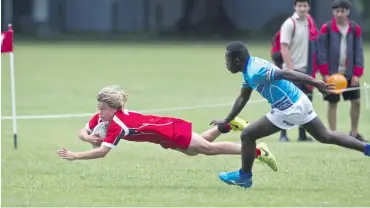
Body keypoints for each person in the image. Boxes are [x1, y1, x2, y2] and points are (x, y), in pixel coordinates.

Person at [211, 41, 370, 188]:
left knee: (248, 134)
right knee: (325, 136)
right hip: (300, 100)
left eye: (227, 60)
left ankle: (244, 176)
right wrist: (227, 120)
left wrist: (316, 83)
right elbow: (243, 97)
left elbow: (287, 73)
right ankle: (366, 148)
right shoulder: (250, 68)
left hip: (289, 107)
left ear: (237, 61)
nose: (226, 63)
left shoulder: (254, 71)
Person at [57, 85, 278, 172]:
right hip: (164, 134)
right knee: (196, 149)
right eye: (98, 107)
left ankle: (258, 151)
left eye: (103, 108)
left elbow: (102, 153)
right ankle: (226, 126)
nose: (99, 112)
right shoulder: (104, 117)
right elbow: (82, 131)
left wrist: (76, 155)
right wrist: (88, 138)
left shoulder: (117, 125)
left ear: (114, 109)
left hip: (170, 130)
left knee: (207, 149)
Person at [318, 0, 366, 141]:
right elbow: (321, 51)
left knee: (356, 102)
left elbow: (359, 51)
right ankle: (332, 135)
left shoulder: (354, 28)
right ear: (333, 12)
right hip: (332, 74)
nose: (340, 14)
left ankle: (354, 133)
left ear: (348, 12)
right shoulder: (326, 28)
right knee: (333, 103)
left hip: (350, 73)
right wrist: (325, 73)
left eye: (343, 11)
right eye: (337, 11)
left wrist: (357, 73)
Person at [277, 0, 324, 142]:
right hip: (292, 71)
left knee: (305, 104)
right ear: (295, 7)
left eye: (305, 5)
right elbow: (284, 47)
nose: (302, 8)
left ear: (309, 7)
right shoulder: (289, 23)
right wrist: (291, 70)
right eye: (299, 5)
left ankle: (302, 135)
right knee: (287, 104)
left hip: (307, 70)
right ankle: (283, 135)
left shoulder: (310, 23)